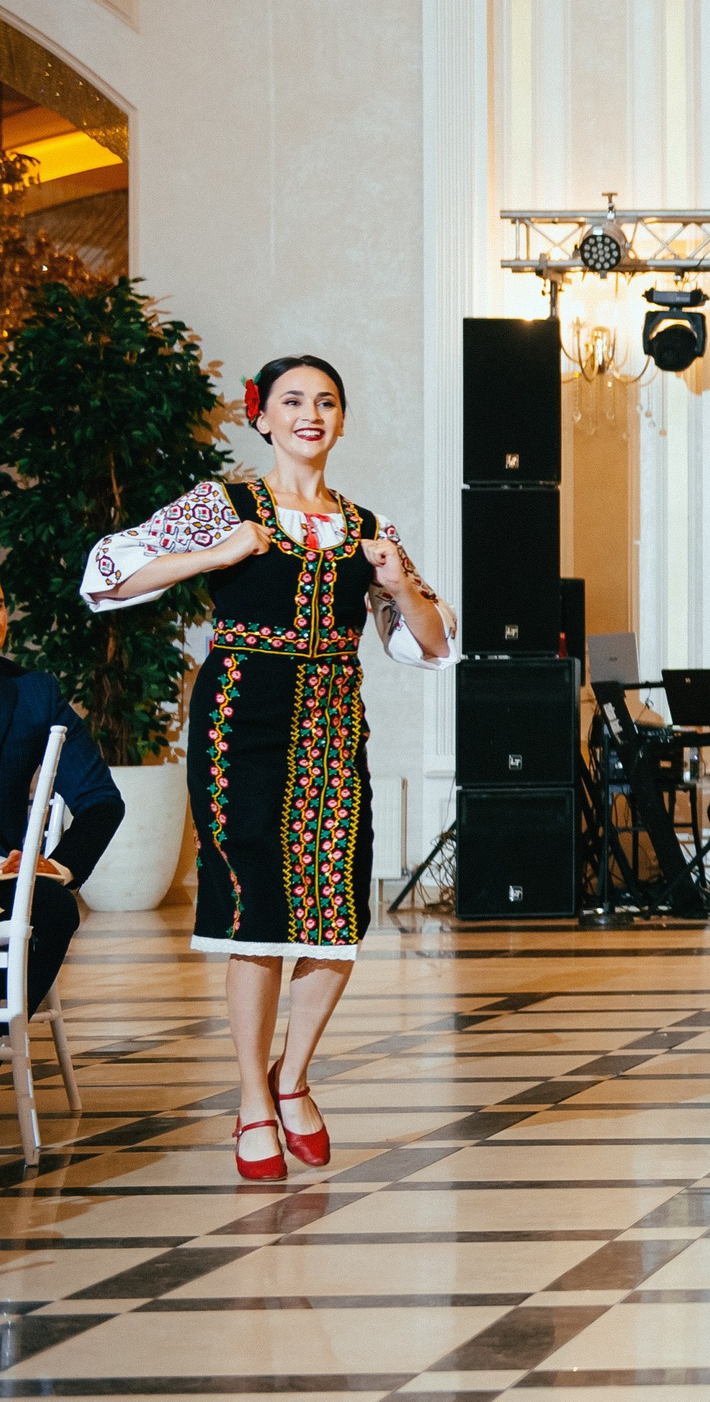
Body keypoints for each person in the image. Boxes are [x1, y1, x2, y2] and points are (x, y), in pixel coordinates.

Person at [83, 356, 455, 1181]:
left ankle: (294, 1078)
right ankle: (252, 1098)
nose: (309, 414)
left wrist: (398, 584)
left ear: (343, 421)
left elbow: (431, 642)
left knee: (333, 910)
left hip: (330, 724)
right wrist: (213, 556)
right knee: (253, 906)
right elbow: (107, 574)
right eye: (292, 401)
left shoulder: (368, 527)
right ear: (263, 418)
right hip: (239, 722)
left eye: (326, 401)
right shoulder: (227, 504)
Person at [0, 577, 124, 1020]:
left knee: (54, 910)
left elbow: (100, 800)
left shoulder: (34, 694)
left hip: (3, 878)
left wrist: (52, 865)